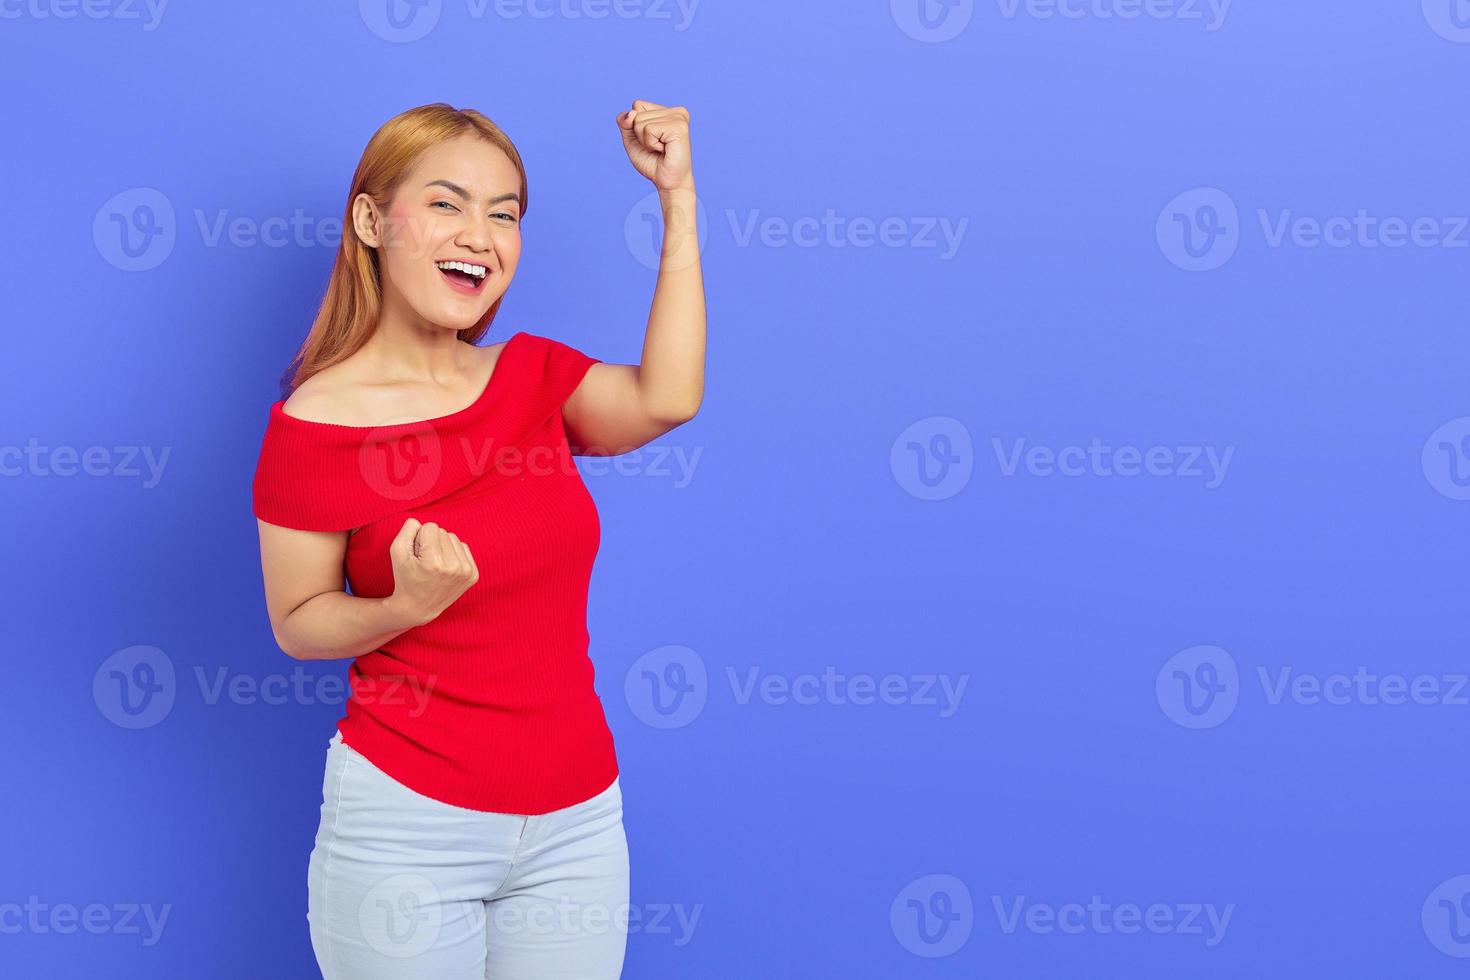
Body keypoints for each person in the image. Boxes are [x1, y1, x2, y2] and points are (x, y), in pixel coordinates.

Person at [250, 99, 704, 979]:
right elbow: (298, 622)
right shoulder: (313, 425)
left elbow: (667, 397)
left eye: (505, 214)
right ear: (372, 219)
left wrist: (676, 199)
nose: (482, 234)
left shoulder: (535, 377)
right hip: (408, 825)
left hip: (577, 824)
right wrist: (402, 605)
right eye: (449, 203)